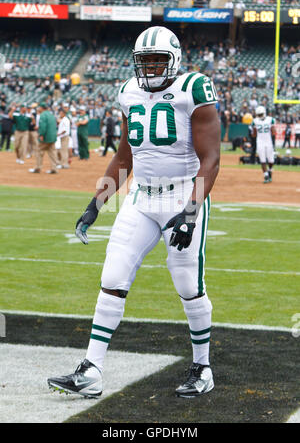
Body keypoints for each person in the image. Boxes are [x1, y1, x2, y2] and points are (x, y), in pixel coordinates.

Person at [47, 26, 220, 399]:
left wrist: (191, 212)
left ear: (174, 60)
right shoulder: (128, 91)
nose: (152, 67)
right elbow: (125, 156)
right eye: (146, 61)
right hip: (141, 197)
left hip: (181, 195)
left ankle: (202, 366)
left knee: (187, 283)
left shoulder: (194, 88)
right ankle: (91, 369)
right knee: (113, 274)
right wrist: (97, 203)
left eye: (159, 60)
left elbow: (211, 158)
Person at [28, 102, 58, 174]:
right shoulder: (51, 115)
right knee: (52, 152)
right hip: (53, 136)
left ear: (42, 108)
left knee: (38, 151)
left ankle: (38, 168)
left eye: (39, 107)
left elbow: (43, 127)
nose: (38, 108)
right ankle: (54, 168)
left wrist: (41, 135)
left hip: (46, 137)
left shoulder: (43, 115)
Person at [250, 106, 276, 183]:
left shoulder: (270, 120)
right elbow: (254, 134)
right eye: (259, 114)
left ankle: (270, 170)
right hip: (260, 141)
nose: (260, 116)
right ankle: (266, 175)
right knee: (263, 160)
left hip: (268, 141)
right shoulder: (255, 121)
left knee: (271, 160)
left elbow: (273, 132)